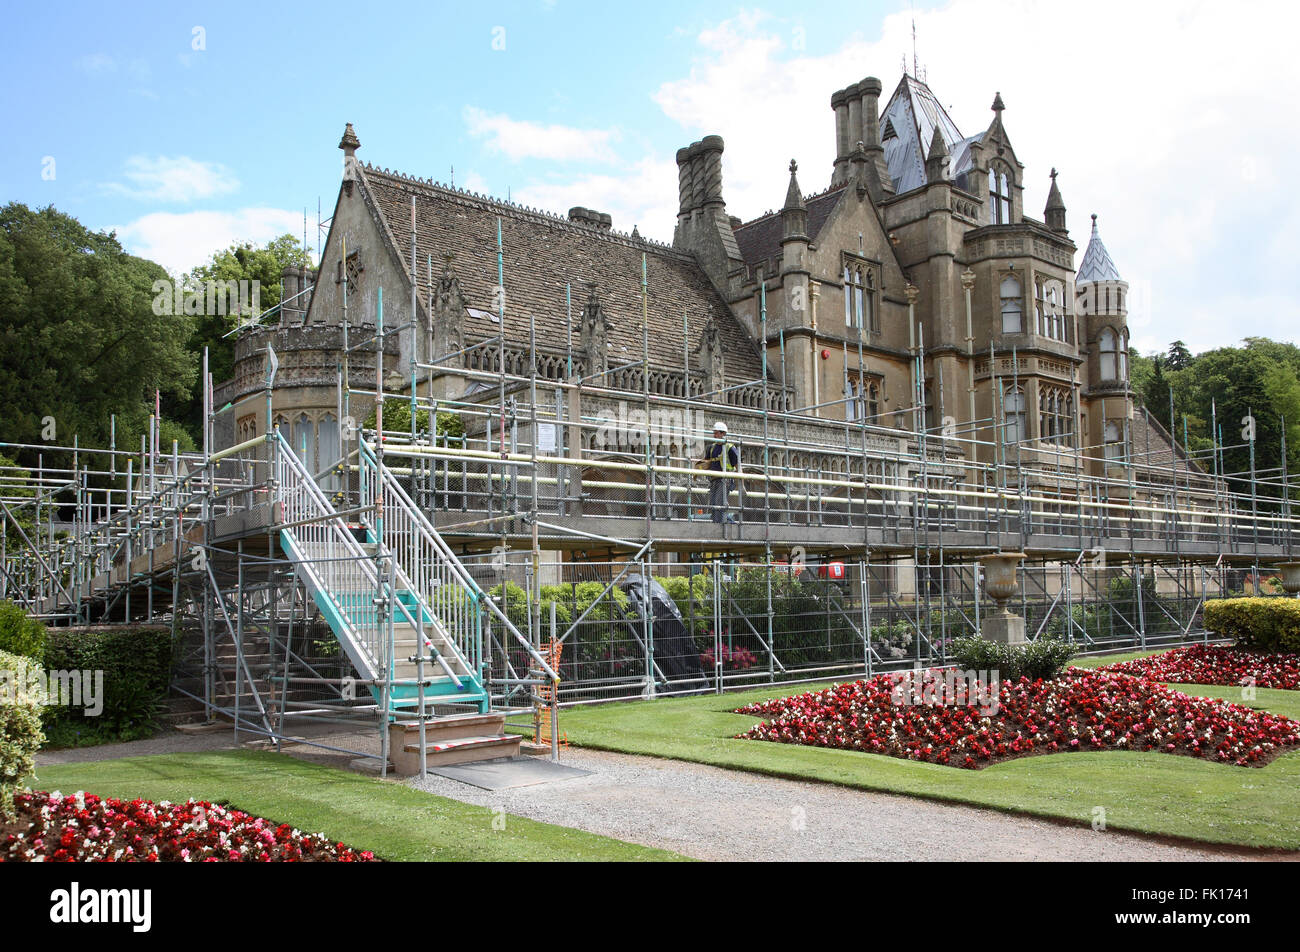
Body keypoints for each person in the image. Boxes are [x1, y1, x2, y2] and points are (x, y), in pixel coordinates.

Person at [700, 421, 740, 524]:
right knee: (713, 504)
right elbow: (706, 462)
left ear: (723, 434)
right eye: (714, 433)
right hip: (713, 479)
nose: (715, 435)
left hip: (724, 480)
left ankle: (721, 525)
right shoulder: (712, 447)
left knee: (719, 503)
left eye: (717, 433)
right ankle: (717, 523)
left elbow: (738, 466)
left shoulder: (730, 448)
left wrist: (741, 483)